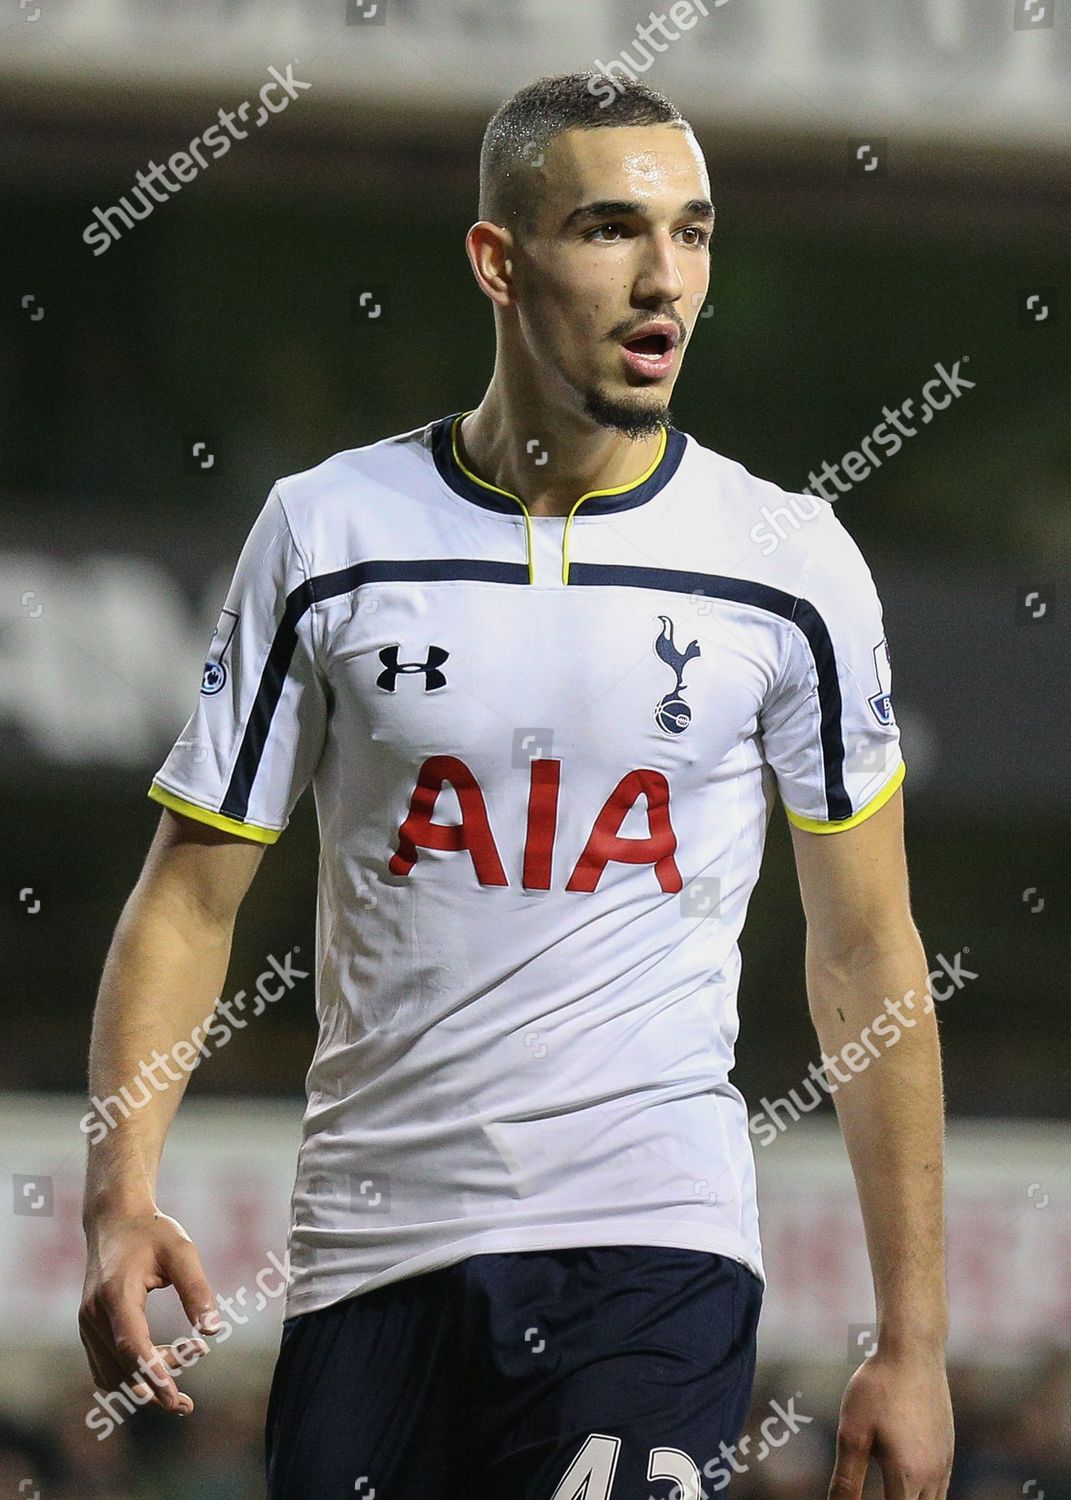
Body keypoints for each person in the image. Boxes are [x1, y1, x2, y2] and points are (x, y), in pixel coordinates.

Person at [79, 71, 954, 1500]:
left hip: (650, 1243)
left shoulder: (788, 563)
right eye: (612, 229)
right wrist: (119, 1200)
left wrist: (912, 1342)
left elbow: (868, 951)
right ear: (499, 259)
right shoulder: (330, 533)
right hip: (372, 1254)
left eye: (694, 232)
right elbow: (187, 901)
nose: (664, 276)